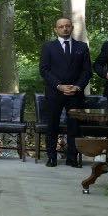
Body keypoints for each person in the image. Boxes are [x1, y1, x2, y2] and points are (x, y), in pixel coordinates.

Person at [39, 17, 92, 167]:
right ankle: (51, 157)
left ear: (72, 27)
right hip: (54, 92)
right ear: (56, 29)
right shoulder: (48, 47)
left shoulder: (82, 47)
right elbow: (44, 70)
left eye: (67, 26)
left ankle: (72, 158)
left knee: (74, 126)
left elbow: (87, 71)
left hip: (75, 94)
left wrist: (77, 87)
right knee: (52, 125)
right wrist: (59, 86)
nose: (65, 28)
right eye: (61, 26)